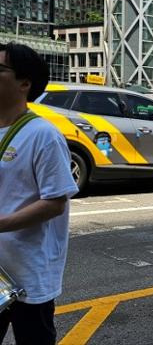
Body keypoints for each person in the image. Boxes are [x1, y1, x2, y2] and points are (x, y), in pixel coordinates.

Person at [0, 43, 78, 344]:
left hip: (29, 273)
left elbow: (55, 202)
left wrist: (2, 224)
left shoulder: (43, 135)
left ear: (24, 83)